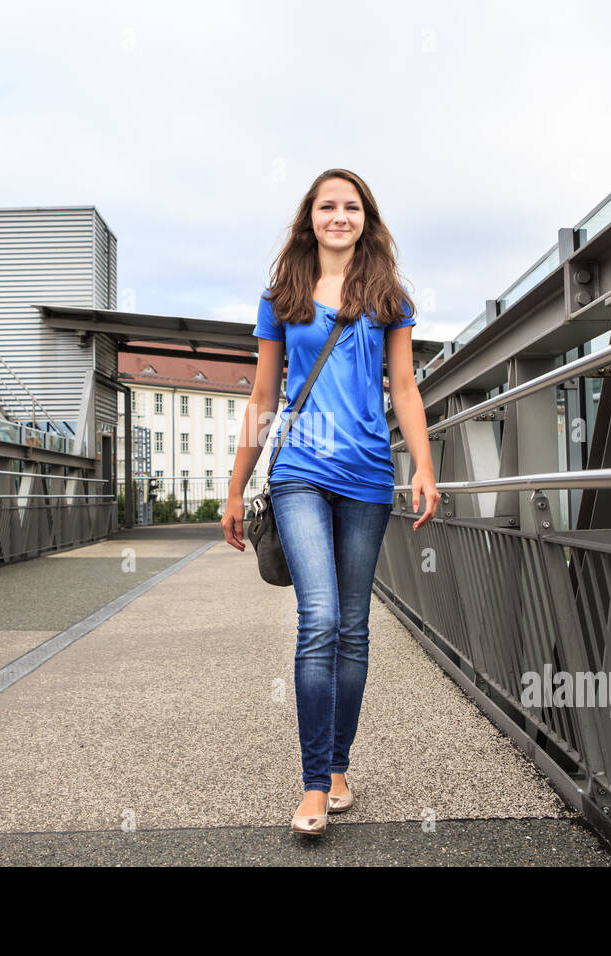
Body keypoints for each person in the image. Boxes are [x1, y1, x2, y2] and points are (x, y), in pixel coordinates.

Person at [221, 168, 440, 836]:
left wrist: (423, 466)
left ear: (365, 219)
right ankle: (315, 784)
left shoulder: (389, 297)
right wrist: (235, 488)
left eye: (350, 207)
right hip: (300, 473)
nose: (338, 216)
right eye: (326, 206)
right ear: (309, 217)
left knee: (353, 625)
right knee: (318, 618)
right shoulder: (282, 295)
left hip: (370, 475)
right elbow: (263, 397)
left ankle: (340, 763)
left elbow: (403, 387)